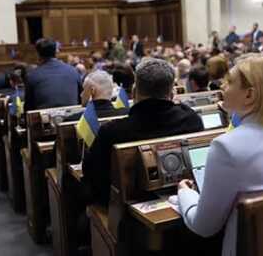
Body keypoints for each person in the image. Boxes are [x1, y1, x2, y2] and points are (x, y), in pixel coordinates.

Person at [177, 53, 263, 256]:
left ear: (249, 95)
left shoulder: (226, 147)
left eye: (230, 81)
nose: (223, 86)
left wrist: (184, 193)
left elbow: (203, 227)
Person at [83, 58, 204, 205]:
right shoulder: (192, 120)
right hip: (186, 200)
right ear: (172, 93)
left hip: (126, 214)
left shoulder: (112, 132)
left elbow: (92, 176)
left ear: (134, 92)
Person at [24, 38, 82, 111]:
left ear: (38, 54)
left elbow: (28, 107)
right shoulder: (73, 71)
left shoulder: (32, 76)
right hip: (74, 118)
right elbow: (81, 99)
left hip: (45, 120)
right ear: (56, 51)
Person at [64, 70, 129, 121]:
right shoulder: (128, 114)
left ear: (92, 91)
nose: (81, 95)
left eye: (83, 90)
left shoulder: (74, 120)